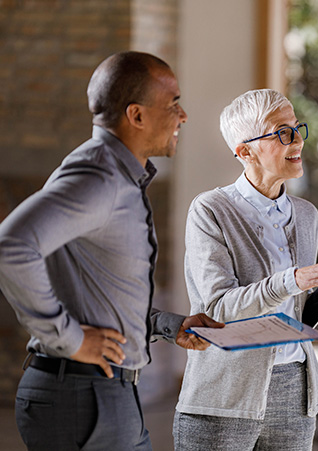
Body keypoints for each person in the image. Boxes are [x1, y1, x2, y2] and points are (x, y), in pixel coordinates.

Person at [0, 51, 224, 450]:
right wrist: (69, 338)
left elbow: (99, 289)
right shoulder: (99, 176)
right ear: (136, 115)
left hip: (103, 394)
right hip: (82, 396)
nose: (183, 116)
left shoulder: (117, 176)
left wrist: (171, 326)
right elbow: (11, 246)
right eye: (173, 103)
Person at [172, 88, 318, 451]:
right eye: (282, 132)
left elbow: (295, 314)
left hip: (295, 390)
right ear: (245, 151)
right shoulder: (210, 210)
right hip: (224, 394)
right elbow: (217, 309)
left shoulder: (307, 215)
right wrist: (289, 281)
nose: (297, 140)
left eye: (297, 128)